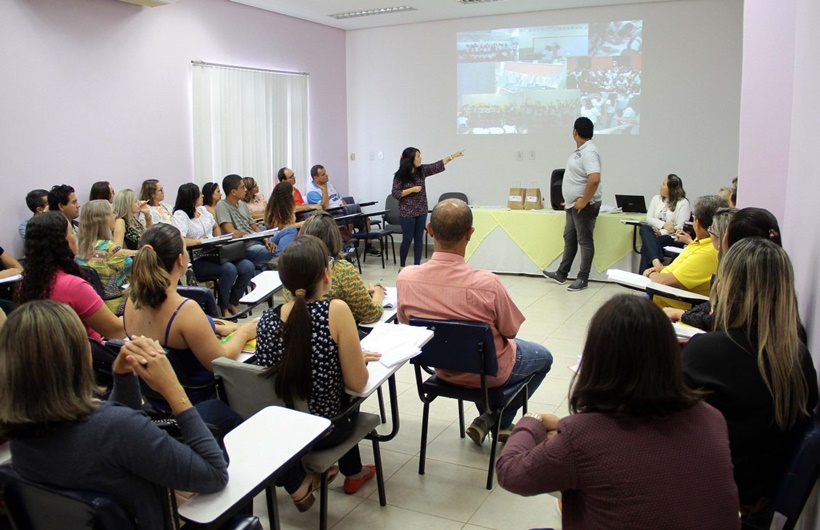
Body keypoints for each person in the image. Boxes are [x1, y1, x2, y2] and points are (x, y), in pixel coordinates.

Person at [496, 295, 740, 529]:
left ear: (598, 360)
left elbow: (511, 473)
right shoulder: (711, 417)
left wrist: (531, 421)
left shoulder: (582, 436)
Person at [0, 300, 228, 530]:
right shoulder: (116, 429)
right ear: (78, 357)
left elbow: (110, 442)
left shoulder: (19, 437)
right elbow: (215, 475)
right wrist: (175, 392)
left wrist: (123, 377)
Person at [683, 238, 818, 528]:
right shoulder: (799, 360)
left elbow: (663, 424)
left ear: (727, 286)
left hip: (705, 505)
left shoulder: (707, 352)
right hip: (758, 506)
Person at [397, 199, 553, 444]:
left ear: (429, 230)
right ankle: (498, 419)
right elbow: (510, 331)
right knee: (544, 357)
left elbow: (408, 329)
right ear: (470, 234)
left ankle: (489, 419)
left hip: (442, 369)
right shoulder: (487, 284)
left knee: (479, 352)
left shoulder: (406, 278)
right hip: (489, 373)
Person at [254, 236, 380, 507]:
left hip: (283, 429)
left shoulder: (266, 320)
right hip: (326, 430)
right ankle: (349, 470)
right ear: (326, 273)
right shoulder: (335, 310)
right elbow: (358, 384)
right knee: (349, 398)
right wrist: (357, 359)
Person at [123, 223, 257, 411]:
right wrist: (244, 331)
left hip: (157, 401)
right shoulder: (185, 310)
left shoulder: (132, 300)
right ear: (180, 259)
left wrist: (214, 325)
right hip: (196, 404)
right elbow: (220, 360)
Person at [15, 212, 125, 343]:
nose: (75, 237)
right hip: (86, 355)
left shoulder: (26, 283)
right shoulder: (73, 286)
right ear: (62, 242)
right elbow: (115, 331)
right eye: (72, 233)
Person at [172, 183, 255, 317]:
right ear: (191, 197)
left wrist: (217, 239)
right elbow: (181, 239)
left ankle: (232, 302)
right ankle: (223, 307)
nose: (203, 195)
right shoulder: (180, 215)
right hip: (199, 259)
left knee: (247, 266)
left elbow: (216, 226)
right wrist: (202, 241)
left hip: (217, 253)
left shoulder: (203, 211)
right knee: (229, 269)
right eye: (199, 194)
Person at [542, 117, 602, 291]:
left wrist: (583, 200)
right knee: (569, 238)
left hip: (585, 205)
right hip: (573, 206)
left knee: (584, 241)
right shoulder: (581, 150)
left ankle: (583, 278)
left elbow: (594, 178)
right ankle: (562, 273)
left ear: (575, 131)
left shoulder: (589, 151)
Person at [298, 211, 384, 325]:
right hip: (337, 336)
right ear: (335, 238)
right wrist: (378, 294)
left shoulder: (294, 268)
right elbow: (370, 315)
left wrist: (359, 294)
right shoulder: (341, 269)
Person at [643, 195, 727, 309]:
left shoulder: (708, 252)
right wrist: (660, 269)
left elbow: (665, 282)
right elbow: (681, 270)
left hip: (667, 305)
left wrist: (650, 274)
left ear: (696, 223)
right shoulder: (701, 243)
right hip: (661, 298)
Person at [662, 207, 736, 328]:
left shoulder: (716, 257)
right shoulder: (724, 259)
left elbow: (718, 317)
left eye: (712, 229)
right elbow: (712, 305)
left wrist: (681, 314)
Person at [391, 146, 464, 268]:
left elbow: (437, 165)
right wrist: (412, 189)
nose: (421, 158)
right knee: (407, 239)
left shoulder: (422, 170)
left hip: (421, 210)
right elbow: (396, 193)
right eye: (418, 156)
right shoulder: (400, 176)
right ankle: (402, 265)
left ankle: (417, 266)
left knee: (419, 239)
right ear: (410, 159)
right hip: (407, 213)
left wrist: (453, 156)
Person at [76, 200, 136, 315]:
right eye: (112, 213)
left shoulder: (79, 249)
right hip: (118, 306)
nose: (115, 216)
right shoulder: (110, 249)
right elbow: (134, 268)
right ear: (103, 220)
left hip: (92, 307)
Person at [216, 174, 275, 271]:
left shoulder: (243, 205)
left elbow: (254, 227)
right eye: (242, 187)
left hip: (256, 239)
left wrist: (266, 240)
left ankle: (266, 268)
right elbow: (231, 232)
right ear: (233, 192)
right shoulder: (222, 206)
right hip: (244, 245)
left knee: (288, 232)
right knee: (272, 252)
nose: (246, 190)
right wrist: (251, 235)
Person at [638, 174, 691, 273]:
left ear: (671, 188)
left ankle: (645, 276)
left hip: (672, 238)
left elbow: (680, 226)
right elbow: (649, 218)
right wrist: (664, 225)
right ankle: (657, 263)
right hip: (654, 234)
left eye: (663, 184)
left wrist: (661, 232)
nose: (660, 187)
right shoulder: (656, 199)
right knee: (645, 228)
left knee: (647, 247)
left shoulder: (683, 203)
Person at [263, 181, 302, 266]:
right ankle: (279, 258)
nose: (294, 192)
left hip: (281, 236)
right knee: (292, 230)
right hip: (274, 236)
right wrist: (304, 223)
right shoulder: (277, 208)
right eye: (292, 191)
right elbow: (282, 227)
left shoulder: (287, 206)